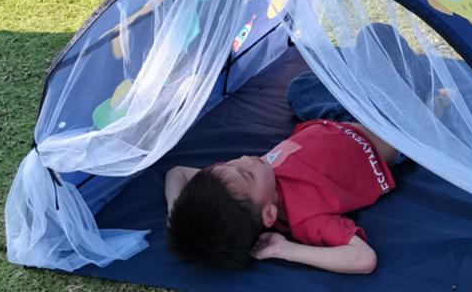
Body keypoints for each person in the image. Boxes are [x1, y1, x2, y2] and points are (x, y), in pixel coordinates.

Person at [166, 71, 403, 275]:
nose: (244, 159)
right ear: (269, 214)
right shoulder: (307, 218)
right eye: (247, 174)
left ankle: (369, 83)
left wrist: (177, 214)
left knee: (299, 88)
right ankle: (414, 97)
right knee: (376, 41)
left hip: (331, 117)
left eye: (230, 164)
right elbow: (364, 259)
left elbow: (177, 173)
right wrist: (285, 250)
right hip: (388, 129)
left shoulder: (226, 185)